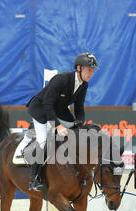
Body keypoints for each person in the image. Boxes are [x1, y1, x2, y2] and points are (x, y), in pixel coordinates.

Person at [22, 52, 99, 191]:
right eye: (89, 69)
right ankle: (34, 179)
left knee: (78, 132)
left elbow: (79, 107)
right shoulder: (61, 79)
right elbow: (47, 103)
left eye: (93, 70)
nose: (91, 73)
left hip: (59, 110)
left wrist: (80, 123)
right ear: (79, 68)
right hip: (41, 109)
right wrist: (57, 126)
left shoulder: (84, 85)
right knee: (43, 141)